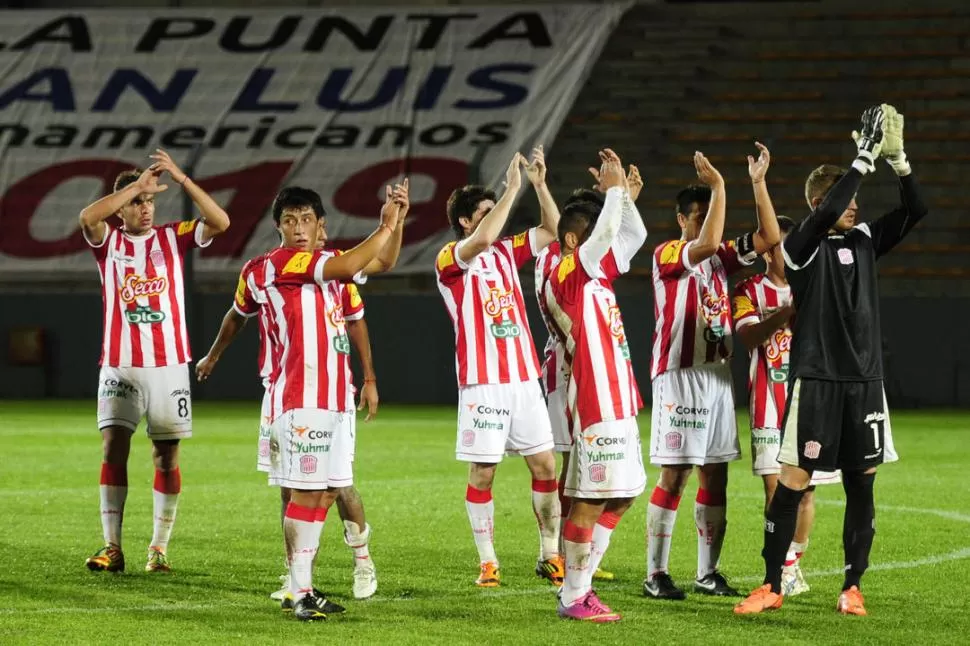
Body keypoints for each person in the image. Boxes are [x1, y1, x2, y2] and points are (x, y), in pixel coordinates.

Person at [735, 104, 921, 616]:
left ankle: (852, 587)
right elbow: (819, 217)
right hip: (816, 380)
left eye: (858, 199)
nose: (856, 207)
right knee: (792, 484)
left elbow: (915, 211)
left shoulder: (863, 240)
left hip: (865, 381)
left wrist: (899, 161)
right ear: (821, 202)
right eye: (847, 199)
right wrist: (862, 157)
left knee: (863, 485)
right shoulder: (800, 248)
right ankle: (771, 584)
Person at [196, 185, 407, 602]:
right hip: (295, 395)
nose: (298, 228)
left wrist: (395, 222)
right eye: (290, 220)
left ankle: (351, 564)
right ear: (278, 226)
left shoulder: (332, 268)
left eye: (306, 219)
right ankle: (297, 580)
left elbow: (382, 261)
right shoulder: (272, 267)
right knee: (296, 489)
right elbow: (236, 316)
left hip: (336, 396)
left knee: (336, 487)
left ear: (319, 225)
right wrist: (213, 355)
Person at [80, 150, 230, 574]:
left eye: (148, 202)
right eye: (136, 202)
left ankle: (159, 549)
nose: (145, 208)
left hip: (168, 367)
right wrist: (134, 186)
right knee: (113, 448)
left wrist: (182, 178)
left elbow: (221, 222)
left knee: (166, 456)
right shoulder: (108, 242)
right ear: (122, 206)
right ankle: (112, 546)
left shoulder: (173, 236)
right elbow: (87, 218)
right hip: (120, 364)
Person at [645, 144, 781, 599]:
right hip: (679, 376)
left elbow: (769, 236)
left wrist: (756, 183)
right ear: (682, 219)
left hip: (717, 376)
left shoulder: (722, 259)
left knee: (715, 474)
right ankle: (656, 574)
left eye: (709, 213)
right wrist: (720, 186)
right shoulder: (670, 253)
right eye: (696, 215)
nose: (704, 222)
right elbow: (705, 244)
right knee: (675, 474)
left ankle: (707, 573)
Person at [435, 149, 562, 587]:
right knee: (484, 472)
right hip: (483, 383)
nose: (496, 218)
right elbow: (486, 240)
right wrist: (512, 188)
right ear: (467, 222)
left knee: (545, 466)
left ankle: (550, 554)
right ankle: (488, 561)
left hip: (524, 379)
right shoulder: (451, 258)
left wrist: (540, 184)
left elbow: (553, 229)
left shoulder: (509, 252)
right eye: (485, 213)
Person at [544, 148, 647, 621]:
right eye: (590, 240)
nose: (603, 247)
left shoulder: (596, 271)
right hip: (593, 398)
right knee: (588, 498)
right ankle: (574, 594)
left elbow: (632, 234)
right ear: (571, 240)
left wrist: (624, 201)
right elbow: (605, 232)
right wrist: (614, 194)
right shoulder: (564, 272)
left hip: (618, 397)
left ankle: (580, 576)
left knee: (624, 492)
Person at [732, 215, 841, 597]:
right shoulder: (749, 290)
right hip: (767, 403)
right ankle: (783, 567)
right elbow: (747, 338)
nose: (781, 252)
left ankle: (793, 563)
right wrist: (785, 314)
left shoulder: (814, 285)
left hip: (809, 402)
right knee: (777, 492)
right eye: (775, 245)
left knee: (807, 491)